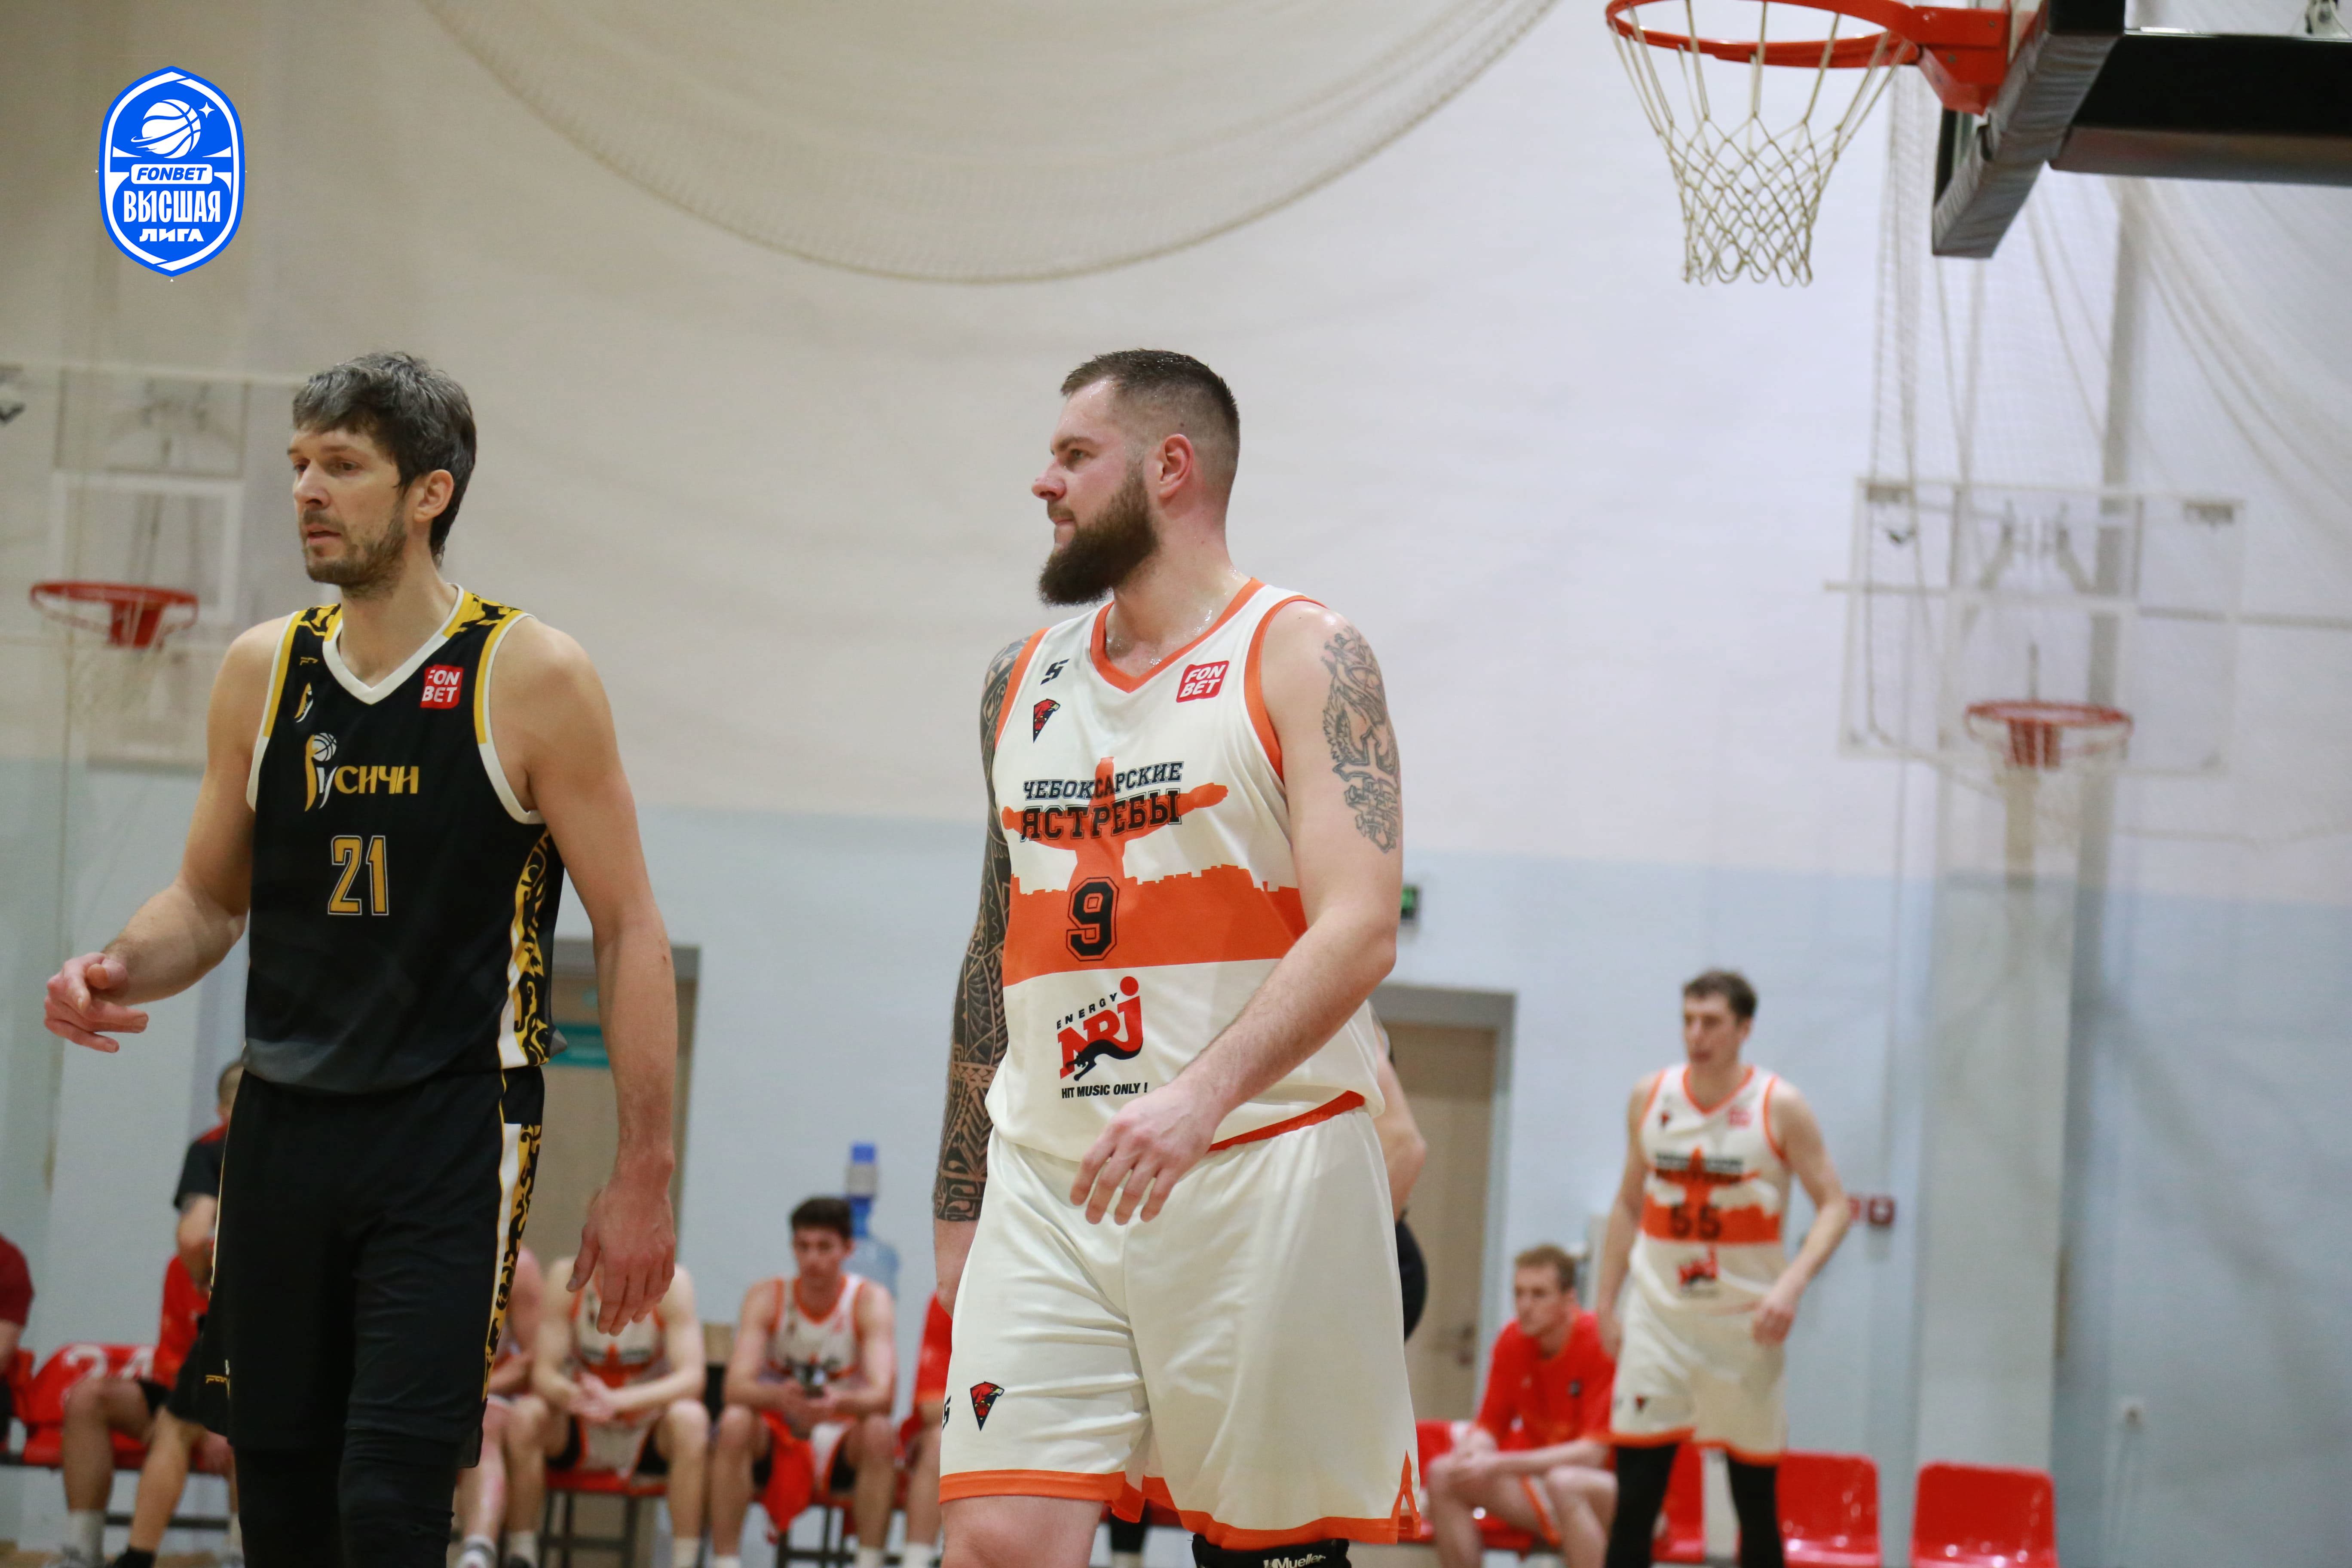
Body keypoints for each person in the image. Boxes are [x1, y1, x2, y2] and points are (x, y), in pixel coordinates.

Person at [41, 351, 680, 1568]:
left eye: (341, 465)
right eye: (298, 464)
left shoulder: (530, 673)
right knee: (278, 1506)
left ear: (430, 492)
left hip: (451, 1126)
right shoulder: (262, 669)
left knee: (388, 1502)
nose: (306, 490)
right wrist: (117, 965)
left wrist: (643, 1168)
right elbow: (207, 900)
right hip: (282, 1125)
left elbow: (632, 924)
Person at [931, 350, 1415, 1568]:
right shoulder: (1016, 681)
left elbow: (1361, 924)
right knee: (994, 1536)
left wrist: (1198, 1097)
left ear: (1170, 467)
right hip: (1051, 1178)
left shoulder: (1305, 652)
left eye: (1074, 455)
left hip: (1261, 1163)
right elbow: (994, 946)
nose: (1043, 482)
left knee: (1264, 1556)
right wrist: (959, 1197)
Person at [1591, 971, 1851, 1568]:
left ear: (1744, 1028)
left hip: (1744, 1324)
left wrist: (1791, 1285)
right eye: (1688, 1020)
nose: (1696, 1034)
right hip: (1660, 1317)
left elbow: (1836, 1206)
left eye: (1711, 1022)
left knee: (1753, 1502)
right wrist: (1605, 1303)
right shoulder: (1651, 1095)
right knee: (1635, 1498)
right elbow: (1629, 1203)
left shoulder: (1779, 1105)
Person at [60, 1066, 244, 1568]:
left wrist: (214, 1416)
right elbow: (177, 1349)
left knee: (227, 1423)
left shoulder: (217, 1159)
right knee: (132, 1407)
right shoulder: (182, 1268)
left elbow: (192, 1236)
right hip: (201, 1378)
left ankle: (214, 1554)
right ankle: (82, 1550)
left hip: (247, 1365)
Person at [709, 1197, 899, 1568]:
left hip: (839, 1429)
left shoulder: (869, 1300)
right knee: (734, 1421)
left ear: (848, 1249)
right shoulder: (767, 1296)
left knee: (879, 1431)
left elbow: (884, 1396)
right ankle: (725, 1561)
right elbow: (735, 1387)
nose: (812, 1259)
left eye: (824, 1247)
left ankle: (869, 1561)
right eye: (803, 1246)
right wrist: (781, 1397)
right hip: (778, 1426)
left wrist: (835, 1403)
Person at [508, 1257, 706, 1568]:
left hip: (646, 1424)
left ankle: (685, 1560)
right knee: (526, 1414)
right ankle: (521, 1553)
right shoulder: (567, 1276)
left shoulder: (673, 1282)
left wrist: (617, 1401)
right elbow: (543, 1374)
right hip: (584, 1419)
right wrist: (576, 1396)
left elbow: (692, 1378)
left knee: (692, 1419)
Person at [1427, 1246, 1616, 1568]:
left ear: (1569, 1299)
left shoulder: (1599, 1342)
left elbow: (1592, 1456)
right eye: (1519, 1294)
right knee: (1444, 1474)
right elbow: (1489, 1426)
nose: (1525, 1306)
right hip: (1546, 1485)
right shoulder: (1512, 1341)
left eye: (1539, 1295)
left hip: (1610, 1490)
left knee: (1566, 1483)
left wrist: (1497, 1464)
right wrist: (1472, 1452)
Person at [453, 1244, 542, 1568]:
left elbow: (533, 1361)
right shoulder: (406, 1248)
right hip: (415, 1393)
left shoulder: (518, 1264)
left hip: (486, 1397)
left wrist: (471, 1393)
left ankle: (478, 1551)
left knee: (483, 1422)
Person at [899, 1292, 954, 1568]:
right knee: (939, 1441)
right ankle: (915, 1563)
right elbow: (931, 1407)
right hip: (978, 1431)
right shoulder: (951, 1297)